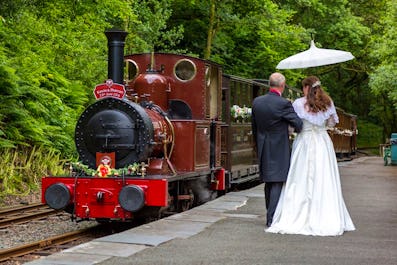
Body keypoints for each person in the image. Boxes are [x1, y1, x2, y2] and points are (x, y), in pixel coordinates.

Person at [265, 76, 355, 236]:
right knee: (324, 177)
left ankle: (296, 214)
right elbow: (332, 124)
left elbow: (293, 127)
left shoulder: (298, 104)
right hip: (322, 142)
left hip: (304, 142)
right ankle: (326, 215)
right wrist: (320, 124)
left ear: (306, 87)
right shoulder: (328, 102)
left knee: (299, 177)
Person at [251, 72, 303, 228]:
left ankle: (270, 213)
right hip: (278, 147)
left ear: (269, 84)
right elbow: (298, 125)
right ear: (283, 85)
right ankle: (272, 218)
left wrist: (257, 144)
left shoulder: (257, 102)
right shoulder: (283, 104)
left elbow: (254, 127)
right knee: (278, 181)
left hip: (263, 145)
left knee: (269, 181)